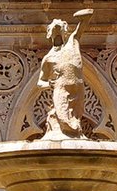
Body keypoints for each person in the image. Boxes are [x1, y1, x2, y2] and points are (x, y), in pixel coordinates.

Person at [37, 9, 92, 139]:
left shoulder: (72, 44)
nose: (57, 36)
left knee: (76, 117)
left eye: (60, 32)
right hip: (61, 88)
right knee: (62, 115)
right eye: (54, 32)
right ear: (50, 35)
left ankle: (76, 135)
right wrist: (49, 84)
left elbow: (80, 29)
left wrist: (86, 16)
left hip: (77, 87)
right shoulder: (48, 58)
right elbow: (40, 82)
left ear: (64, 33)